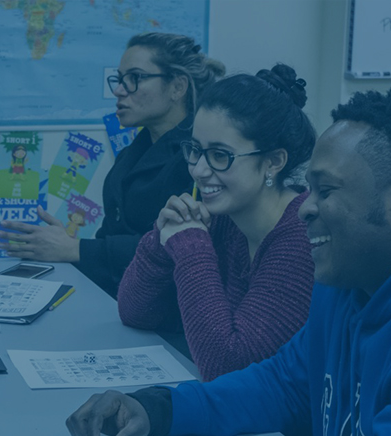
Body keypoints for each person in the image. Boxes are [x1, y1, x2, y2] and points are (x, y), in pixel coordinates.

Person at [67, 85, 391, 436]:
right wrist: (158, 410)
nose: (304, 210)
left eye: (326, 191)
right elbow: (284, 384)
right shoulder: (353, 276)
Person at [118, 64, 316, 382]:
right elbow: (134, 312)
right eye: (195, 150)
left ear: (273, 162)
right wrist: (160, 242)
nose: (198, 170)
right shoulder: (224, 216)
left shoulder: (301, 237)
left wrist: (192, 252)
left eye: (220, 155)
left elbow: (228, 367)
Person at [0, 32, 225, 296]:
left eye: (135, 78)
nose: (118, 90)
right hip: (120, 302)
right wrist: (70, 246)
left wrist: (75, 249)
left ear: (177, 87)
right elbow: (111, 239)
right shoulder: (131, 154)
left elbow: (182, 247)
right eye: (119, 79)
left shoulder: (199, 160)